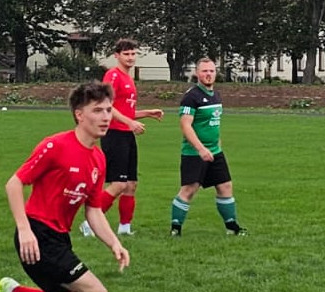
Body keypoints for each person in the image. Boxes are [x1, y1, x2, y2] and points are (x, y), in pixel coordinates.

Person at [0, 81, 131, 292]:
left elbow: (93, 210)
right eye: (98, 110)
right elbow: (14, 183)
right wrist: (24, 228)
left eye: (109, 109)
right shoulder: (55, 145)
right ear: (79, 114)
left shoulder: (98, 158)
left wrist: (114, 244)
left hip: (58, 237)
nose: (106, 116)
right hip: (37, 234)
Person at [80, 38, 164, 237]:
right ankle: (89, 224)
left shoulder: (129, 78)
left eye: (133, 53)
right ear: (116, 56)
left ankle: (125, 228)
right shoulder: (113, 75)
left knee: (131, 184)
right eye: (126, 54)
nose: (131, 57)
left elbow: (124, 110)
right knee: (118, 184)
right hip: (114, 134)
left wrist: (146, 113)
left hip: (126, 134)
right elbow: (106, 106)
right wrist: (128, 122)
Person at [169, 57, 246, 237]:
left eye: (211, 71)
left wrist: (217, 144)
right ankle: (175, 228)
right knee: (189, 189)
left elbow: (214, 123)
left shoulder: (216, 95)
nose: (208, 74)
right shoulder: (191, 96)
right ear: (197, 73)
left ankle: (232, 227)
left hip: (215, 151)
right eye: (204, 71)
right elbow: (185, 126)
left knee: (225, 186)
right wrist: (200, 149)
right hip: (194, 152)